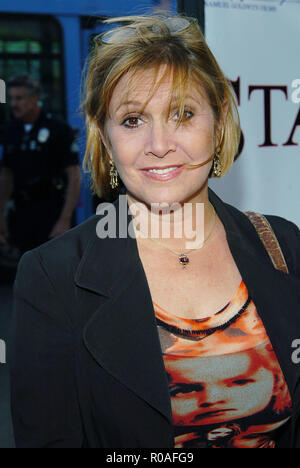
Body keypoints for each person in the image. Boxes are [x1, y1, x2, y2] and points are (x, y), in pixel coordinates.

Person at [9, 14, 300, 448]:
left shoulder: (283, 245)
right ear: (105, 139)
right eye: (132, 120)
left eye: (183, 114)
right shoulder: (52, 278)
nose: (159, 143)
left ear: (219, 123)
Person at [0, 74, 81, 254]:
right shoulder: (11, 130)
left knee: (56, 271)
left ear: (35, 98)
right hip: (22, 213)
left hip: (52, 211)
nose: (14, 104)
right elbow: (6, 175)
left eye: (19, 98)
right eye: (11, 99)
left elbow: (74, 176)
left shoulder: (58, 129)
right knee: (26, 269)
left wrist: (64, 220)